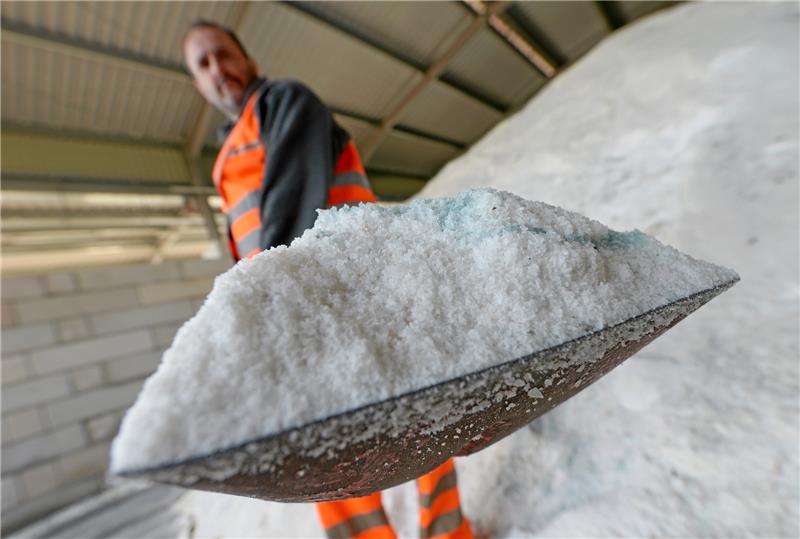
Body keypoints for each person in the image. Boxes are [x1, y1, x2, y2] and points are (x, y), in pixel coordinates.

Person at [183, 21, 474, 539]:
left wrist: (266, 301)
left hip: (350, 293)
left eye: (222, 55)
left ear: (247, 60)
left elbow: (294, 199)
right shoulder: (228, 154)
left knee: (414, 416)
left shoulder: (284, 102)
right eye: (202, 65)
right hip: (295, 309)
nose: (216, 69)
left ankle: (449, 533)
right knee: (325, 448)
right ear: (197, 86)